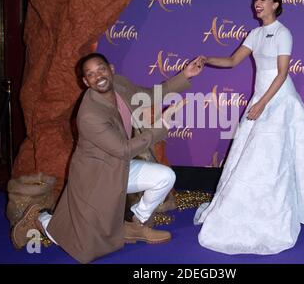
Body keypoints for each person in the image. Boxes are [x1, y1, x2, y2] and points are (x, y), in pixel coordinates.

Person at [194, 0, 304, 255]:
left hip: (279, 101)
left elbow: (282, 74)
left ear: (275, 5)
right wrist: (206, 59)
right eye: (255, 0)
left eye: (262, 0)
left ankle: (285, 210)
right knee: (250, 156)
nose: (256, 4)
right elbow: (232, 60)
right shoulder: (255, 34)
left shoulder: (283, 33)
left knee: (278, 156)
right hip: (260, 100)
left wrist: (262, 103)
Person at [11, 52, 203, 263]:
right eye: (91, 74)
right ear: (85, 82)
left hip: (120, 168)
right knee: (85, 249)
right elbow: (123, 150)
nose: (98, 76)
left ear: (111, 69)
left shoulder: (119, 85)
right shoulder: (90, 114)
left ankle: (135, 223)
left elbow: (147, 95)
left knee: (165, 177)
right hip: (96, 180)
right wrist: (162, 126)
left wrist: (185, 75)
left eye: (101, 69)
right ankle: (41, 219)